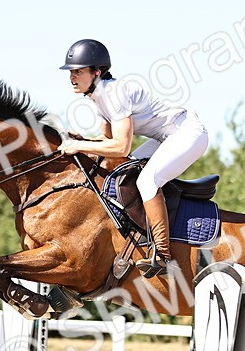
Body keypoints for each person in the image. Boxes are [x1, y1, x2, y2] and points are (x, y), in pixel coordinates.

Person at [57, 39, 209, 278]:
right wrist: (82, 141)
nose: (72, 77)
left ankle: (163, 254)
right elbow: (106, 139)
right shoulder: (97, 96)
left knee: (147, 181)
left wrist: (78, 145)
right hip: (165, 137)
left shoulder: (114, 93)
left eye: (78, 71)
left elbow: (120, 146)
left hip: (188, 133)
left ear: (96, 72)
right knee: (124, 172)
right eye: (71, 72)